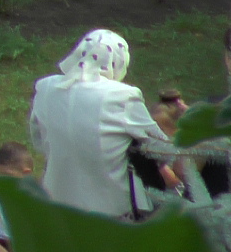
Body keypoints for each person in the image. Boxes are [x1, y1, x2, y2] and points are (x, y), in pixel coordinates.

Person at [28, 30, 171, 218]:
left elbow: (38, 139)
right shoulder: (122, 96)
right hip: (109, 212)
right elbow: (164, 151)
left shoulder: (45, 87)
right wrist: (168, 124)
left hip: (58, 204)